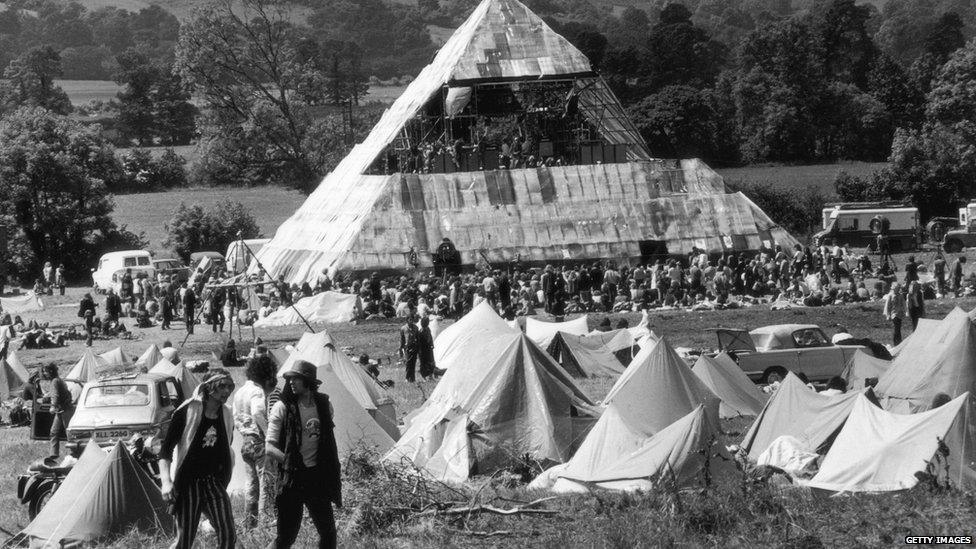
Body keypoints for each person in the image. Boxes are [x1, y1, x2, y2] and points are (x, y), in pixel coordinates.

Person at [266, 360, 342, 549]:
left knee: (328, 532)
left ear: (308, 381)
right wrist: (291, 463)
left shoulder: (324, 405)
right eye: (289, 379)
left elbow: (325, 440)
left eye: (296, 379)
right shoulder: (282, 408)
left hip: (316, 477)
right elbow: (269, 448)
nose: (291, 382)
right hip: (292, 480)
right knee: (286, 538)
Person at [159, 369, 237, 549]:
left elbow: (226, 446)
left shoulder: (226, 414)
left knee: (228, 532)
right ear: (209, 388)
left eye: (229, 387)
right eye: (222, 386)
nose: (226, 391)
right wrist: (166, 481)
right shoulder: (187, 411)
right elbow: (165, 450)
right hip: (188, 483)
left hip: (213, 481)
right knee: (184, 539)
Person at [233, 355, 278, 527]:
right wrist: (268, 435)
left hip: (246, 441)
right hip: (259, 441)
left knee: (251, 484)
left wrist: (244, 432)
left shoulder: (239, 392)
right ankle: (266, 521)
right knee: (266, 482)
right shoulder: (257, 391)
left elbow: (236, 417)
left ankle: (249, 523)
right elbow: (258, 412)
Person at [43, 363, 74, 458]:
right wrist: (47, 395)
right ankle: (54, 454)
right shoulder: (58, 380)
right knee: (54, 431)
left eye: (46, 371)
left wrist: (53, 406)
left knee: (69, 432)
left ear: (51, 372)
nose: (45, 374)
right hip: (61, 410)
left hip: (65, 410)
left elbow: (55, 395)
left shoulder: (55, 381)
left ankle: (75, 451)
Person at [399, 314, 420, 383]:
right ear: (407, 320)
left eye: (412, 319)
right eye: (410, 319)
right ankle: (407, 377)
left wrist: (418, 346)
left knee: (413, 363)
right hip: (407, 347)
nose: (411, 321)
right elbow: (402, 339)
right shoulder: (403, 328)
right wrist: (401, 349)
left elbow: (417, 338)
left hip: (414, 347)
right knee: (408, 362)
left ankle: (413, 378)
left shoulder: (416, 328)